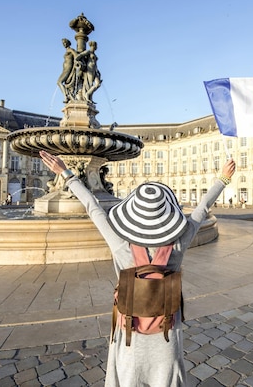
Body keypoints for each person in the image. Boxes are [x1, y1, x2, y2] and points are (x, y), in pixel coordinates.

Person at [39, 150, 235, 386]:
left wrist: (67, 174)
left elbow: (93, 207)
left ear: (133, 212)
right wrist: (223, 179)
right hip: (166, 334)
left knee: (128, 375)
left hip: (129, 332)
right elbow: (201, 211)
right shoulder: (178, 243)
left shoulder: (120, 243)